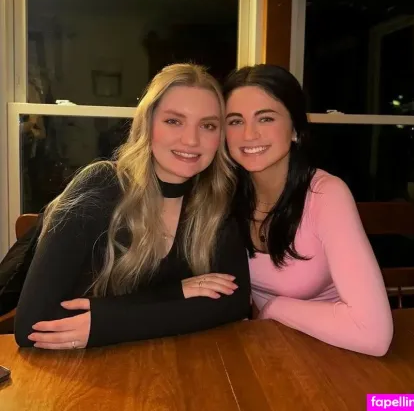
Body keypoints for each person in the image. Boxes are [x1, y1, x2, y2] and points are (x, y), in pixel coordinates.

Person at [14, 63, 251, 350]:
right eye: (173, 121)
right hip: (81, 370)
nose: (191, 140)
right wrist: (175, 296)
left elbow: (235, 302)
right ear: (147, 125)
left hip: (169, 365)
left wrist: (110, 320)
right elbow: (32, 325)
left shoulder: (214, 199)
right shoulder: (101, 184)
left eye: (208, 125)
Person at [223, 64, 393, 357]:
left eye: (266, 118)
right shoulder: (223, 195)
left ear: (295, 130)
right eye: (236, 121)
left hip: (338, 350)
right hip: (274, 348)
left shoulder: (326, 194)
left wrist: (275, 308)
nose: (249, 134)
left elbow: (374, 335)